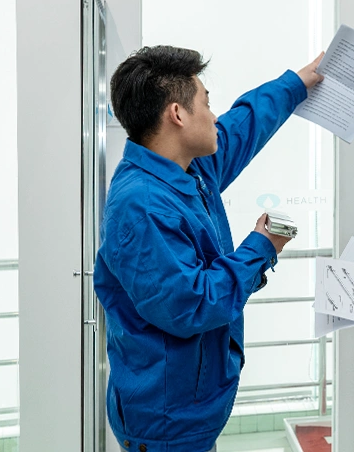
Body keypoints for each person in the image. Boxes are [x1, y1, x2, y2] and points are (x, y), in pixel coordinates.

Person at [94, 45, 324, 452]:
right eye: (206, 102)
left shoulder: (189, 169)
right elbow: (192, 304)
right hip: (167, 426)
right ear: (178, 115)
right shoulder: (142, 205)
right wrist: (261, 247)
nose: (214, 116)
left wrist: (297, 83)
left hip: (188, 411)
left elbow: (244, 125)